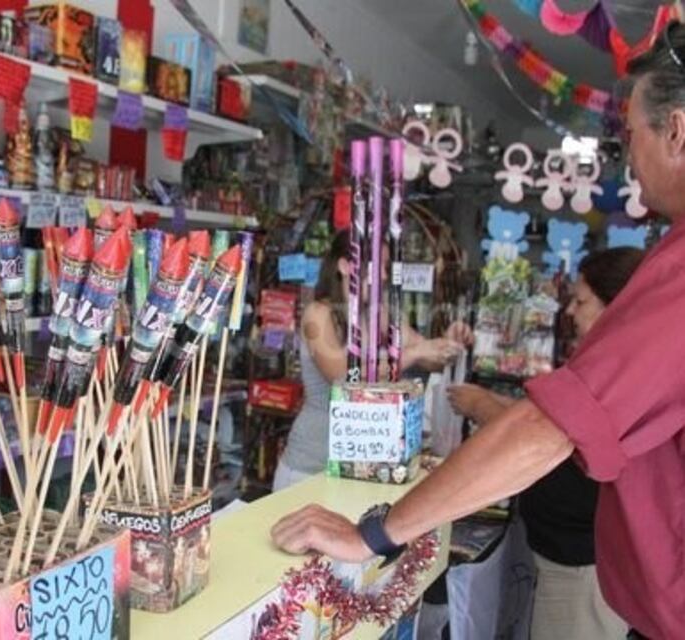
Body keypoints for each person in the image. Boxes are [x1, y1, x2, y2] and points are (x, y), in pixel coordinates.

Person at [273, 27, 685, 638]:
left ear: (676, 131)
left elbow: (551, 428)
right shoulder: (321, 313)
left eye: (630, 135)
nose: (627, 156)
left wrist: (375, 534)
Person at [449, 248, 644, 640]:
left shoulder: (625, 374)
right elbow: (556, 423)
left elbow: (550, 438)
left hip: (582, 568)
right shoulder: (609, 364)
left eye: (581, 302)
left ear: (616, 307)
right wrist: (495, 403)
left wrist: (483, 407)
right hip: (564, 558)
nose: (569, 311)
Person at [273, 231, 472, 491]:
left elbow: (429, 359)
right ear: (345, 266)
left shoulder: (379, 314)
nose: (385, 275)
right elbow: (343, 377)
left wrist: (449, 342)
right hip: (310, 465)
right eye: (378, 265)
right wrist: (413, 353)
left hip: (359, 467)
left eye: (386, 267)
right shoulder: (318, 314)